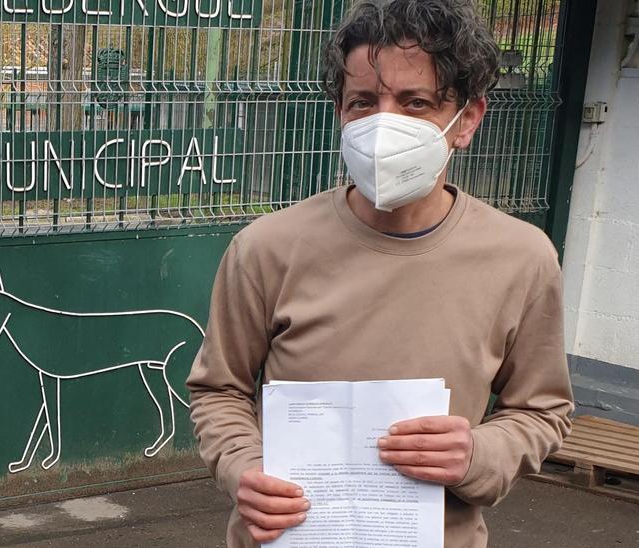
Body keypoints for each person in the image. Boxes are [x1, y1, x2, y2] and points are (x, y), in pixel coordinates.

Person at [186, 1, 573, 546]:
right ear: (340, 111)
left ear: (468, 119)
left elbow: (541, 409)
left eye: (415, 103)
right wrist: (243, 468)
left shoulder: (522, 258)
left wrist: (480, 455)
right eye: (362, 102)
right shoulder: (267, 248)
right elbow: (219, 389)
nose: (383, 124)